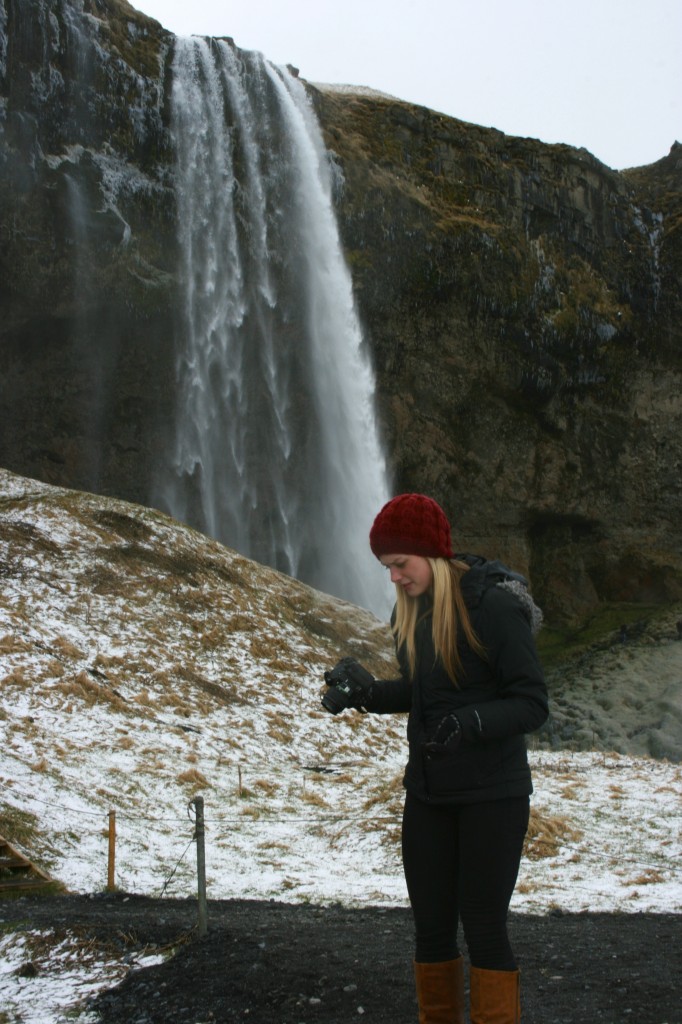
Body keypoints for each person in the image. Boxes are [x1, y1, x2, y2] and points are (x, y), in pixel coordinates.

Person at [322, 493, 549, 1024]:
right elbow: (426, 694)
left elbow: (532, 702)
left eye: (401, 564)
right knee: (430, 930)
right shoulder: (412, 613)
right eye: (386, 568)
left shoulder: (493, 607)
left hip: (492, 797)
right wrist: (369, 694)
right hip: (428, 795)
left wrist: (470, 724)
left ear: (434, 554)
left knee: (485, 930)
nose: (395, 578)